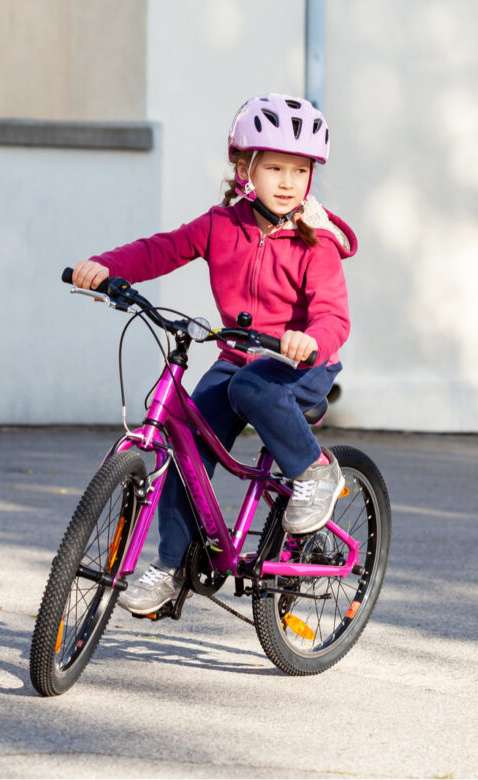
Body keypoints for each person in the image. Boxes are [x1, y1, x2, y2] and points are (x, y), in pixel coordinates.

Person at [70, 93, 358, 614]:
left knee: (252, 387)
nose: (289, 181)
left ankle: (314, 470)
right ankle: (173, 564)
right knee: (185, 446)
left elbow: (334, 316)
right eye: (275, 167)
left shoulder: (316, 242)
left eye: (300, 169)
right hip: (238, 357)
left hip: (299, 364)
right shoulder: (222, 224)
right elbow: (160, 248)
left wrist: (311, 340)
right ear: (244, 167)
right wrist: (106, 267)